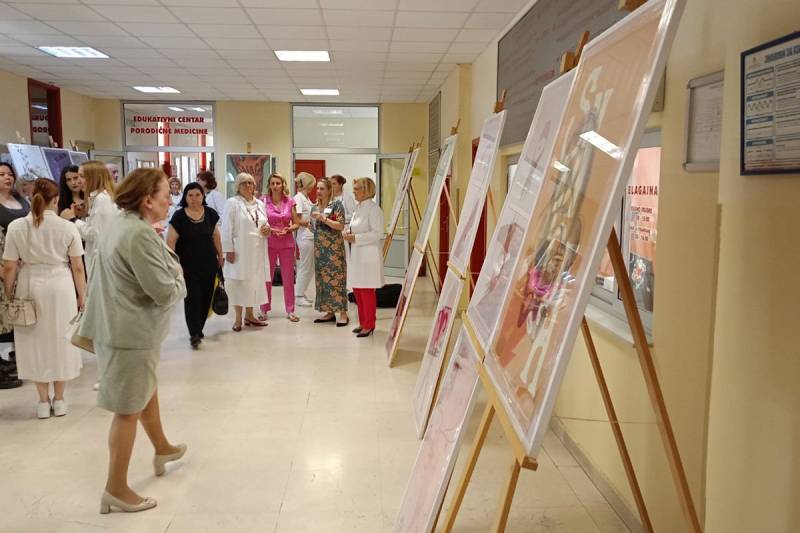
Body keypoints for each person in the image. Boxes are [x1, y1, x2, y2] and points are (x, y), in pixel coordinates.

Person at [78, 168, 187, 514]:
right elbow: (162, 291)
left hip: (118, 327)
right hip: (129, 334)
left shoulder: (121, 224)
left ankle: (162, 447)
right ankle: (116, 488)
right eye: (164, 193)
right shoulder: (137, 234)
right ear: (147, 199)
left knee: (145, 391)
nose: (170, 198)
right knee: (127, 411)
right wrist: (179, 278)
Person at [2, 179, 86, 418]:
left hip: (29, 285)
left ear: (31, 197)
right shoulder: (67, 227)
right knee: (61, 340)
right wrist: (83, 296)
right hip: (61, 286)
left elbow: (9, 266)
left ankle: (41, 401)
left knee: (33, 341)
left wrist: (9, 293)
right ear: (57, 199)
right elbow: (78, 266)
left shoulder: (17, 227)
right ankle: (59, 400)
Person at [167, 183, 223, 348]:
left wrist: (221, 255)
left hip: (209, 263)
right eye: (190, 195)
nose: (194, 199)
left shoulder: (210, 214)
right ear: (185, 197)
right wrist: (173, 263)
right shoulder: (179, 217)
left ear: (203, 196)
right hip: (187, 266)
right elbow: (170, 241)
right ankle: (194, 333)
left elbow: (216, 236)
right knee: (192, 299)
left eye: (197, 195)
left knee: (206, 297)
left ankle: (199, 327)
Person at [221, 173, 270, 332]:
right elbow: (226, 227)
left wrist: (266, 229)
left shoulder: (260, 204)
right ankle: (237, 319)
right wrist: (228, 249)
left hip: (257, 250)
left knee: (253, 283)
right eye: (244, 183)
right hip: (239, 250)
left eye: (251, 183)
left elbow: (263, 224)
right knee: (238, 282)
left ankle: (250, 315)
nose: (248, 186)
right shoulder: (233, 203)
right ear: (238, 187)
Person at [0, 162, 29, 390]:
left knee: (20, 311)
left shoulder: (21, 201)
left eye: (10, 174)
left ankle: (17, 357)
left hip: (25, 264)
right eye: (1, 175)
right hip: (4, 263)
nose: (7, 178)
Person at [344, 178, 384, 338]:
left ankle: (369, 324)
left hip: (368, 256)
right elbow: (354, 227)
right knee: (358, 290)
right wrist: (347, 232)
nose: (354, 191)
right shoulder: (358, 208)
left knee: (367, 290)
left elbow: (378, 234)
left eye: (357, 188)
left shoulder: (374, 209)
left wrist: (356, 238)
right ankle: (362, 323)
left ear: (366, 190)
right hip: (357, 255)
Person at [261, 173, 301, 322]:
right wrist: (268, 229)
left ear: (283, 184)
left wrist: (289, 229)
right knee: (267, 277)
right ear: (269, 185)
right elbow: (259, 221)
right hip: (269, 242)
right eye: (272, 183)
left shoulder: (290, 202)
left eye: (278, 183)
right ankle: (264, 310)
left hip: (287, 243)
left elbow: (297, 222)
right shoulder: (263, 201)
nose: (275, 186)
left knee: (288, 278)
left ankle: (290, 310)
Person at [311, 177, 348, 326]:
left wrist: (324, 219)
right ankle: (329, 312)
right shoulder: (314, 207)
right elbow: (314, 227)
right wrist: (309, 225)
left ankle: (343, 313)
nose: (319, 191)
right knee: (322, 280)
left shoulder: (336, 205)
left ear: (328, 190)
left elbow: (340, 226)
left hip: (334, 250)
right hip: (320, 250)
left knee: (337, 280)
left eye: (322, 189)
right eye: (317, 188)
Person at [72, 161, 118, 274]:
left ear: (94, 177)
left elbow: (93, 234)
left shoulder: (102, 199)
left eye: (82, 177)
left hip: (102, 266)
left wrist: (73, 220)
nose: (78, 181)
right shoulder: (99, 198)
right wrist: (85, 215)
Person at [293, 172, 316, 307]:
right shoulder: (299, 198)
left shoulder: (306, 198)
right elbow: (297, 218)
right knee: (305, 267)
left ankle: (302, 292)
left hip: (311, 236)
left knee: (310, 267)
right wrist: (308, 222)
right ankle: (298, 295)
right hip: (305, 237)